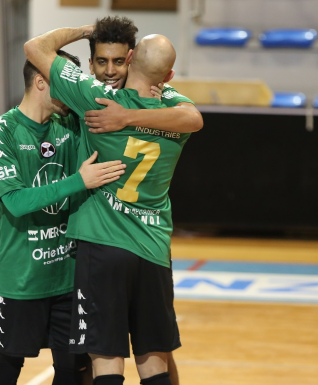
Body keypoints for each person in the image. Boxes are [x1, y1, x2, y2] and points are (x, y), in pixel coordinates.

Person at [0, 16, 202, 385]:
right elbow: (16, 191)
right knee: (149, 354)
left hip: (87, 258)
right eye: (101, 62)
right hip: (70, 263)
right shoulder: (162, 111)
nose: (109, 71)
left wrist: (125, 115)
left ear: (131, 61)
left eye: (118, 62)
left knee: (97, 362)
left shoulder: (89, 110)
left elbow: (35, 47)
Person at [24, 25, 194, 385]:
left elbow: (35, 47)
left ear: (129, 59)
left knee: (105, 360)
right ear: (168, 77)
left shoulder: (95, 97)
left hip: (102, 248)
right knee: (155, 361)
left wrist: (90, 30)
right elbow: (195, 118)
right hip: (153, 248)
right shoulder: (175, 112)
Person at [0, 49, 126, 385]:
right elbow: (15, 200)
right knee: (6, 367)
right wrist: (79, 181)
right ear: (42, 81)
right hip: (19, 278)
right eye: (64, 82)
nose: (72, 92)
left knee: (73, 371)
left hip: (68, 276)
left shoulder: (70, 125)